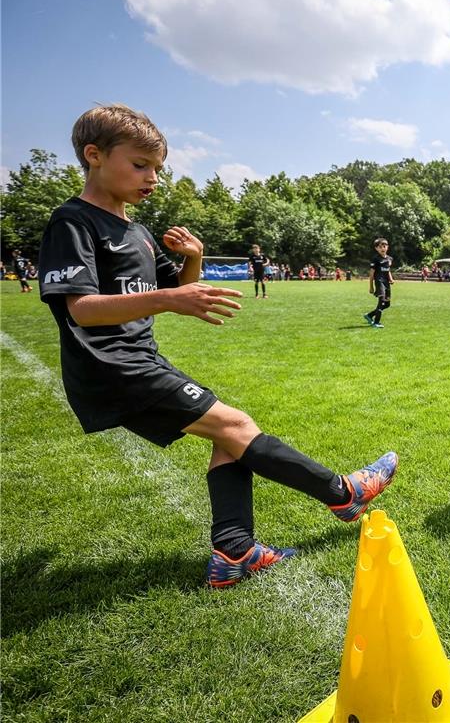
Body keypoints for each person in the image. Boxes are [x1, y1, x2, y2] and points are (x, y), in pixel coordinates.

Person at [37, 104, 397, 589]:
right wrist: (170, 299)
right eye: (140, 165)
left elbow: (178, 285)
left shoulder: (137, 232)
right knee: (236, 426)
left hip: (138, 359)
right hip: (110, 365)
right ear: (94, 155)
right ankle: (344, 493)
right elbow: (80, 308)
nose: (153, 178)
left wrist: (195, 258)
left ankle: (234, 551)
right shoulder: (73, 221)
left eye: (157, 168)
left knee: (229, 437)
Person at [364, 238, 393, 328]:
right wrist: (371, 286)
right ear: (376, 248)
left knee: (387, 304)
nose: (383, 248)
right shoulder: (375, 259)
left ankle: (369, 315)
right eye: (380, 247)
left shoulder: (389, 259)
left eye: (384, 246)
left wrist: (391, 279)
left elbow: (388, 270)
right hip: (379, 282)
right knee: (381, 301)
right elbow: (371, 273)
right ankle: (376, 323)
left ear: (387, 247)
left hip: (386, 283)